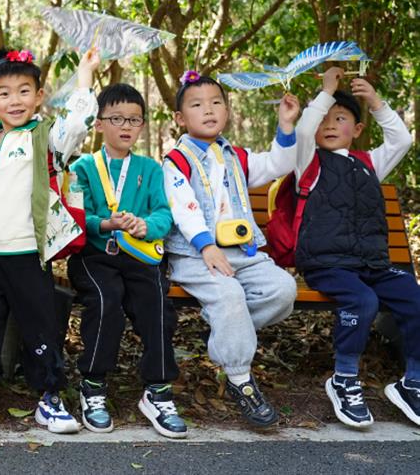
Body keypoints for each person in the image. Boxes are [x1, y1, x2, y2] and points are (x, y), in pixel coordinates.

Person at [0, 47, 98, 436]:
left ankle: (49, 396)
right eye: (4, 92)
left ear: (38, 96)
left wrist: (84, 78)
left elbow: (76, 126)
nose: (14, 100)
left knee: (41, 326)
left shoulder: (44, 139)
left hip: (29, 254)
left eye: (24, 91)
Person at [163, 71, 299, 427]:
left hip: (242, 250)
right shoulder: (177, 160)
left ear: (227, 110)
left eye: (216, 102)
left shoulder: (235, 155)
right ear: (180, 117)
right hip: (196, 254)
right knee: (230, 297)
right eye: (197, 105)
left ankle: (228, 331)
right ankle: (241, 380)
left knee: (283, 290)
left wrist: (286, 124)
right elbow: (183, 206)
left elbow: (278, 165)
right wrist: (205, 246)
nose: (208, 110)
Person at [293, 66, 418, 428]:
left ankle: (413, 383)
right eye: (325, 119)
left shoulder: (369, 164)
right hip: (327, 264)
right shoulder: (309, 163)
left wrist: (376, 101)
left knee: (413, 296)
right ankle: (344, 378)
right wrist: (327, 92)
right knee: (362, 301)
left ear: (358, 129)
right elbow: (302, 130)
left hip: (372, 265)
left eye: (341, 118)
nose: (329, 124)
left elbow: (402, 141)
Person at [66, 83, 183, 438]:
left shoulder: (149, 169)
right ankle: (93, 384)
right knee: (106, 302)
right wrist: (105, 223)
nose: (126, 126)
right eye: (116, 118)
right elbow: (74, 215)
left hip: (138, 255)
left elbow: (164, 212)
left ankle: (158, 390)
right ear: (99, 124)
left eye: (134, 119)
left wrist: (146, 225)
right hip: (95, 256)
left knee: (157, 304)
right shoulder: (84, 166)